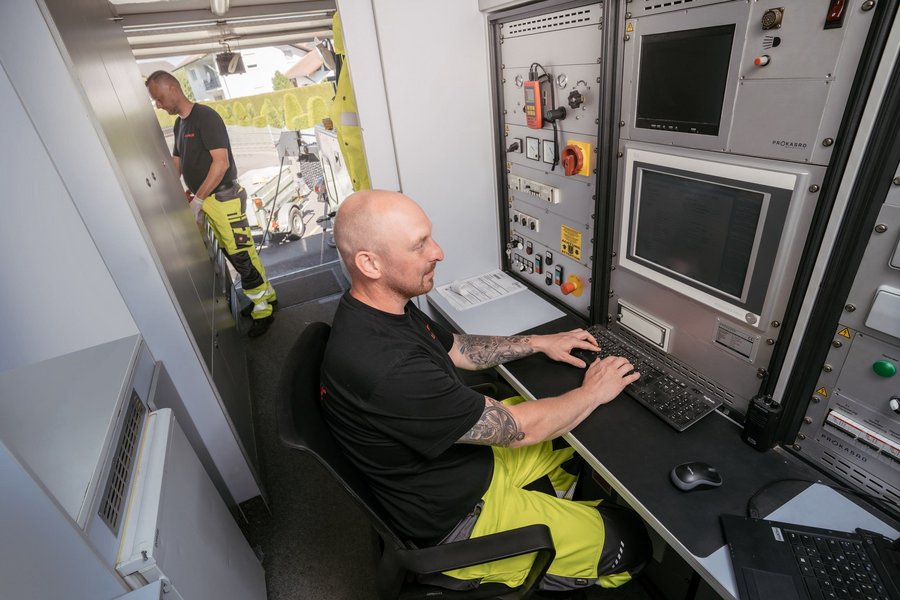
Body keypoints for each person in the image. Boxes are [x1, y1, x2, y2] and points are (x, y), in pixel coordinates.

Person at [320, 190, 652, 593]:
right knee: (631, 541)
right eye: (419, 244)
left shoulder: (383, 310)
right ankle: (549, 552)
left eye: (430, 237)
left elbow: (459, 348)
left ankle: (554, 517)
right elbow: (521, 429)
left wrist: (538, 343)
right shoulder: (386, 366)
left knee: (570, 441)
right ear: (370, 263)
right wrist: (594, 392)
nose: (438, 252)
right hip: (460, 518)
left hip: (461, 465)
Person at [145, 70, 276, 338]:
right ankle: (266, 295)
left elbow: (221, 163)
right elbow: (178, 163)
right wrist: (169, 191)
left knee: (241, 254)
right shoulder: (180, 125)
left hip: (223, 198)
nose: (158, 105)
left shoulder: (205, 117)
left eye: (159, 98)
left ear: (172, 89)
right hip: (208, 201)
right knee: (236, 252)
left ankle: (263, 309)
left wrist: (199, 199)